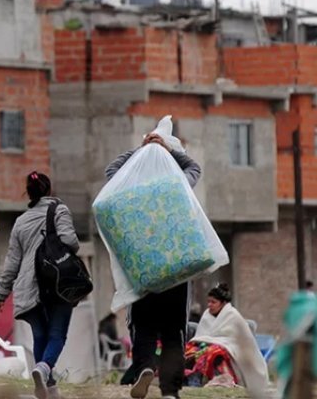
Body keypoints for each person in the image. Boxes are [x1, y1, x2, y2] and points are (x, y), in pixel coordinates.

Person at [105, 132, 201, 399]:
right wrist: (165, 149)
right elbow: (195, 166)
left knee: (143, 328)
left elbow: (111, 170)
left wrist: (142, 150)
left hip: (143, 272)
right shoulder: (177, 183)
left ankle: (145, 368)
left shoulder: (129, 187)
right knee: (174, 332)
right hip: (175, 272)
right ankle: (170, 391)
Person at [0, 171, 79, 399]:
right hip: (57, 283)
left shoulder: (20, 222)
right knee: (57, 335)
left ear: (29, 193)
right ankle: (44, 368)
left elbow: (12, 262)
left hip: (28, 287)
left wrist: (1, 294)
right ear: (49, 190)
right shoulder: (59, 210)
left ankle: (47, 389)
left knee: (40, 336)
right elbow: (70, 241)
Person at [185, 284, 269, 396]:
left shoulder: (233, 315)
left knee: (215, 352)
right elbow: (202, 335)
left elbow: (236, 341)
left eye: (213, 302)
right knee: (190, 351)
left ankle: (222, 379)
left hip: (230, 349)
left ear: (223, 303)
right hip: (206, 345)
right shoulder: (207, 314)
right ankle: (192, 378)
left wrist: (217, 345)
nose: (209, 305)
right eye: (208, 302)